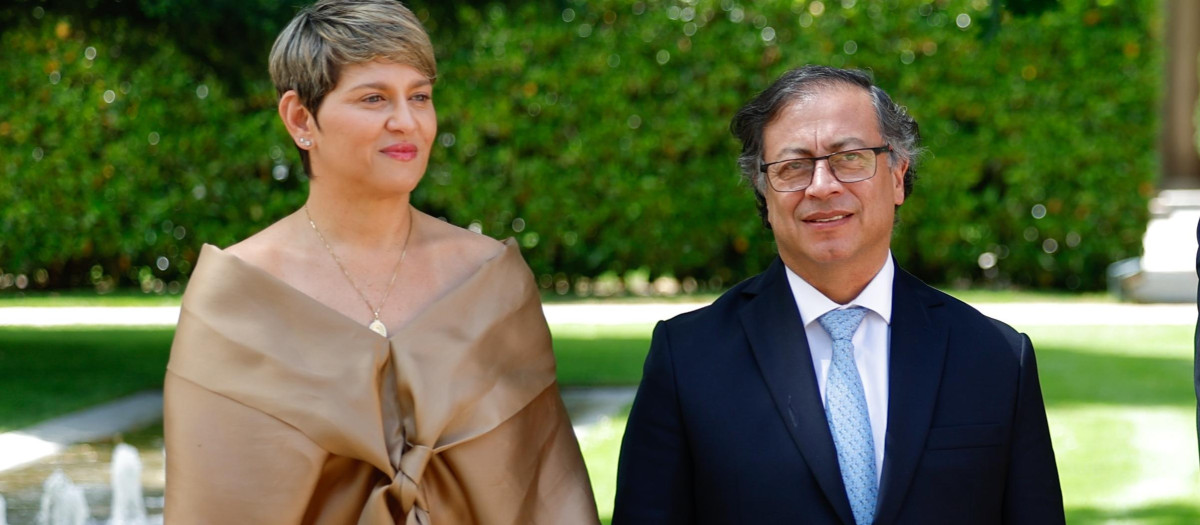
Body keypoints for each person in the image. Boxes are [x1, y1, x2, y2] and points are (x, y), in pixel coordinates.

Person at [162, 1, 599, 523]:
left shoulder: (493, 279)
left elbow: (545, 490)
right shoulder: (234, 295)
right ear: (301, 118)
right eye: (374, 98)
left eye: (420, 96)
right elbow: (214, 504)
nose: (407, 121)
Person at [613, 66, 1064, 524]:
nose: (822, 185)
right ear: (763, 191)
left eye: (849, 157)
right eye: (793, 166)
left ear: (897, 175)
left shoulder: (997, 358)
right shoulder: (687, 360)